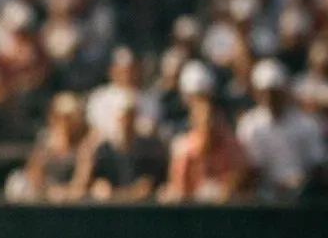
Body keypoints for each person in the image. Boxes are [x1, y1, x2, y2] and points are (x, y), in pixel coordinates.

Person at [236, 59, 325, 201]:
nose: (270, 97)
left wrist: (302, 181)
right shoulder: (249, 125)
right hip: (263, 201)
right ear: (257, 92)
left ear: (284, 91)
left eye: (275, 92)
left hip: (302, 199)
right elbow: (251, 169)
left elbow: (317, 166)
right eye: (265, 92)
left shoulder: (307, 124)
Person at [162, 65, 248, 203]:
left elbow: (241, 176)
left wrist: (226, 189)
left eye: (212, 118)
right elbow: (180, 190)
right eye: (204, 121)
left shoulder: (231, 144)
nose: (209, 124)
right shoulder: (183, 148)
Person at [72, 90, 167, 200]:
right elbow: (97, 181)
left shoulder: (149, 148)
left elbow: (151, 181)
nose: (126, 121)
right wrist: (101, 186)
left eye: (130, 116)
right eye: (123, 117)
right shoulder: (104, 149)